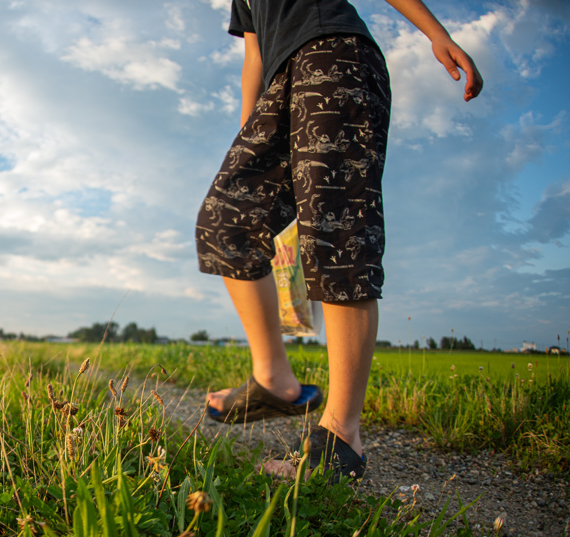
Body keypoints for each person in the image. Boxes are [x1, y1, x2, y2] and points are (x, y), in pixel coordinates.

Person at [197, 0, 482, 481]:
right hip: (277, 87)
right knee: (227, 221)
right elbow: (254, 57)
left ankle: (341, 437)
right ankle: (274, 381)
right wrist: (247, 138)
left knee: (336, 236)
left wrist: (436, 33)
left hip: (333, 57)